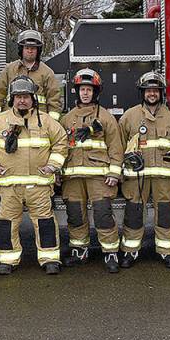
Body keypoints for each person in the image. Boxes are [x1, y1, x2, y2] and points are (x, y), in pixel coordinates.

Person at [0, 76, 68, 275]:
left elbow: (61, 143)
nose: (22, 101)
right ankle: (8, 260)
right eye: (18, 96)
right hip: (9, 187)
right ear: (12, 99)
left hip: (39, 186)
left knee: (45, 222)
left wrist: (52, 166)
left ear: (33, 99)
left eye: (26, 97)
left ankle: (50, 259)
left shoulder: (46, 121)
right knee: (6, 224)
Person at [60, 69, 124, 273]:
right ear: (76, 92)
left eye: (89, 89)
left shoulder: (105, 118)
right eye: (82, 89)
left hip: (99, 177)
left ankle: (110, 252)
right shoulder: (67, 119)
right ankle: (80, 251)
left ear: (95, 92)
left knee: (103, 215)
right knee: (75, 216)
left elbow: (116, 147)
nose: (85, 93)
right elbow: (60, 148)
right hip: (73, 177)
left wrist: (114, 173)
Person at [118, 71, 170, 269]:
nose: (152, 94)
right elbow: (119, 145)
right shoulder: (130, 116)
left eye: (156, 90)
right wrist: (122, 171)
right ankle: (131, 251)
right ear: (143, 93)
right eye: (149, 90)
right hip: (136, 177)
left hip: (164, 177)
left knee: (165, 215)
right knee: (134, 214)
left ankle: (166, 252)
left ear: (161, 93)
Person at [0, 29, 62, 120]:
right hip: (11, 118)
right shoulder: (10, 69)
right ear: (21, 49)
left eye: (33, 48)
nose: (30, 51)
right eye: (27, 48)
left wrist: (52, 122)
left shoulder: (47, 72)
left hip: (38, 120)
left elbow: (54, 98)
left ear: (38, 50)